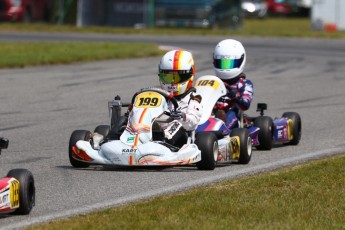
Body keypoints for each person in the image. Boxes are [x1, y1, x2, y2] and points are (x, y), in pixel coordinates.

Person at [157, 49, 203, 146]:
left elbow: (193, 122)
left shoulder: (193, 99)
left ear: (188, 75)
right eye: (168, 77)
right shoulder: (159, 97)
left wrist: (183, 116)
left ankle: (163, 143)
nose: (173, 82)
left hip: (181, 140)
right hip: (155, 132)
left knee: (175, 124)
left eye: (177, 77)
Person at [213, 39, 254, 130]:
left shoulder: (245, 84)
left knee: (230, 113)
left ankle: (221, 130)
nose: (225, 68)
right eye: (221, 64)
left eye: (229, 64)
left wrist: (235, 96)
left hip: (232, 112)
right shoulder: (213, 82)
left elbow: (245, 105)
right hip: (212, 111)